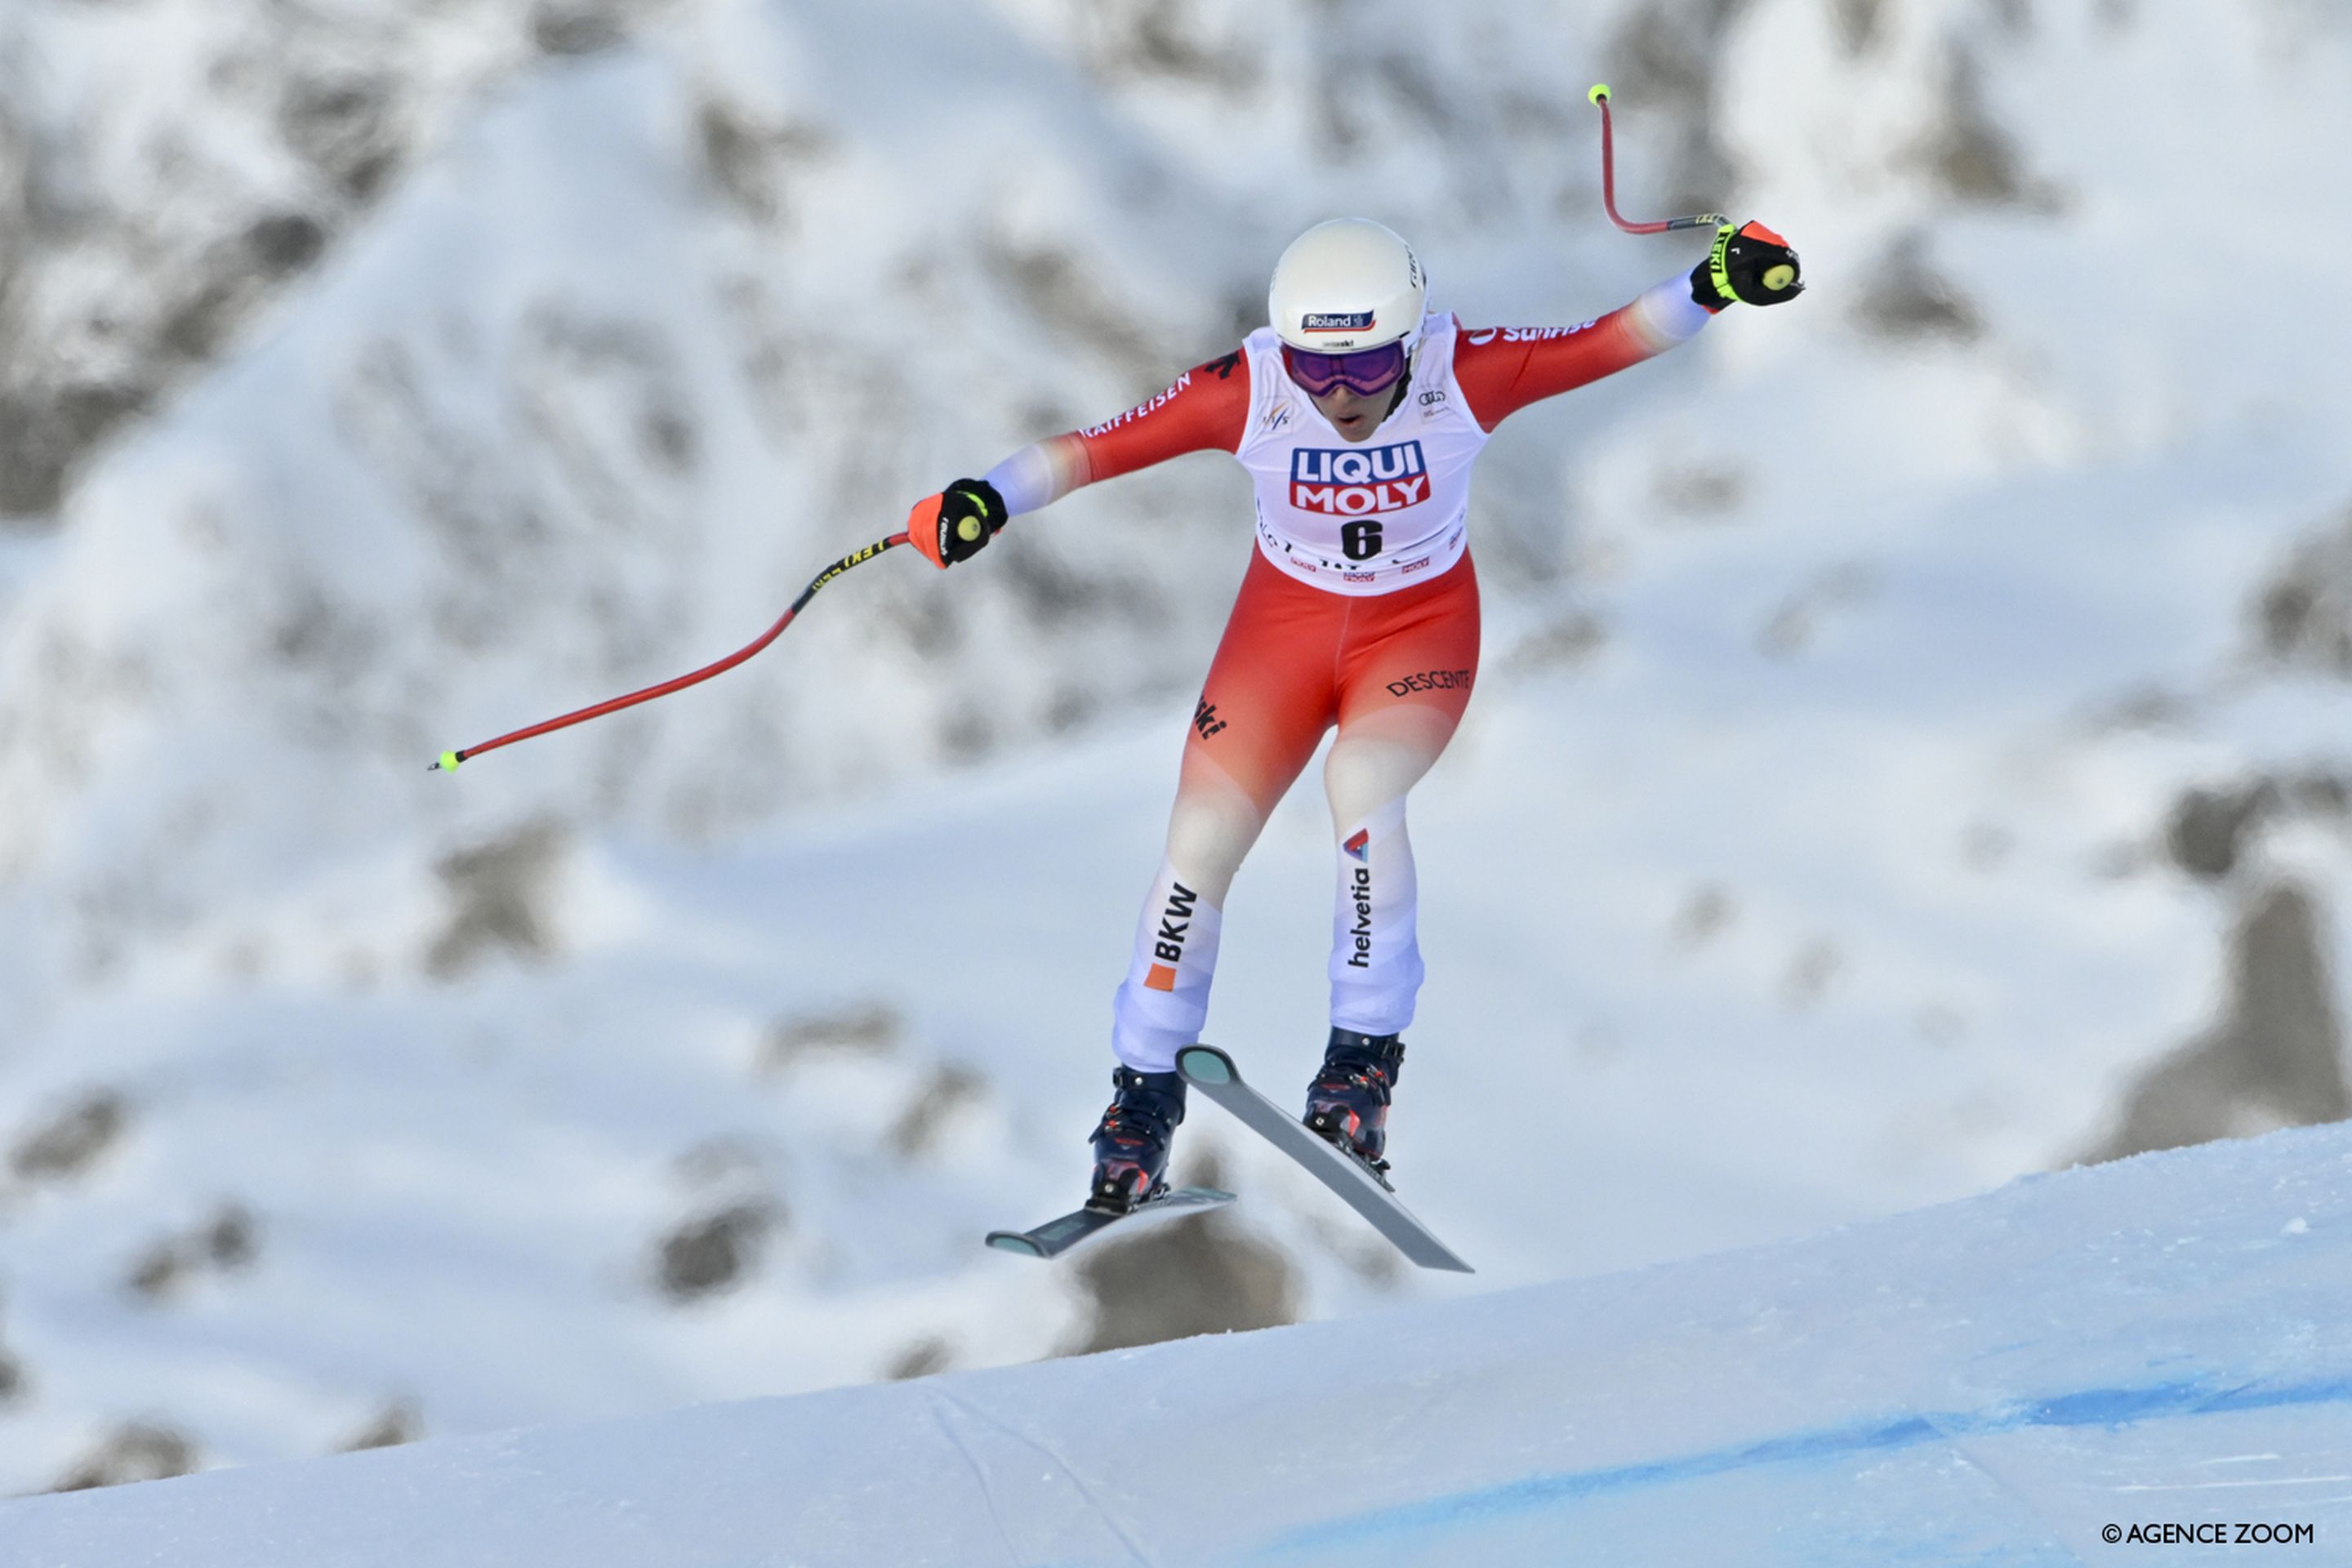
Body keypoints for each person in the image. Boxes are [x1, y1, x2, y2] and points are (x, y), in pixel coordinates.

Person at [904, 216, 1802, 1212]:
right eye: (1314, 369)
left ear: (1412, 340)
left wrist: (1716, 282)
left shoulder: (1461, 372)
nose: (1337, 397)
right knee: (1198, 844)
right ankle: (1141, 1098)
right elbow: (1093, 450)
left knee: (1363, 790)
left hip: (1413, 638)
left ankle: (1361, 1067)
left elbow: (1610, 340)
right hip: (1278, 640)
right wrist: (981, 498)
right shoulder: (1252, 390)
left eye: (1368, 368)